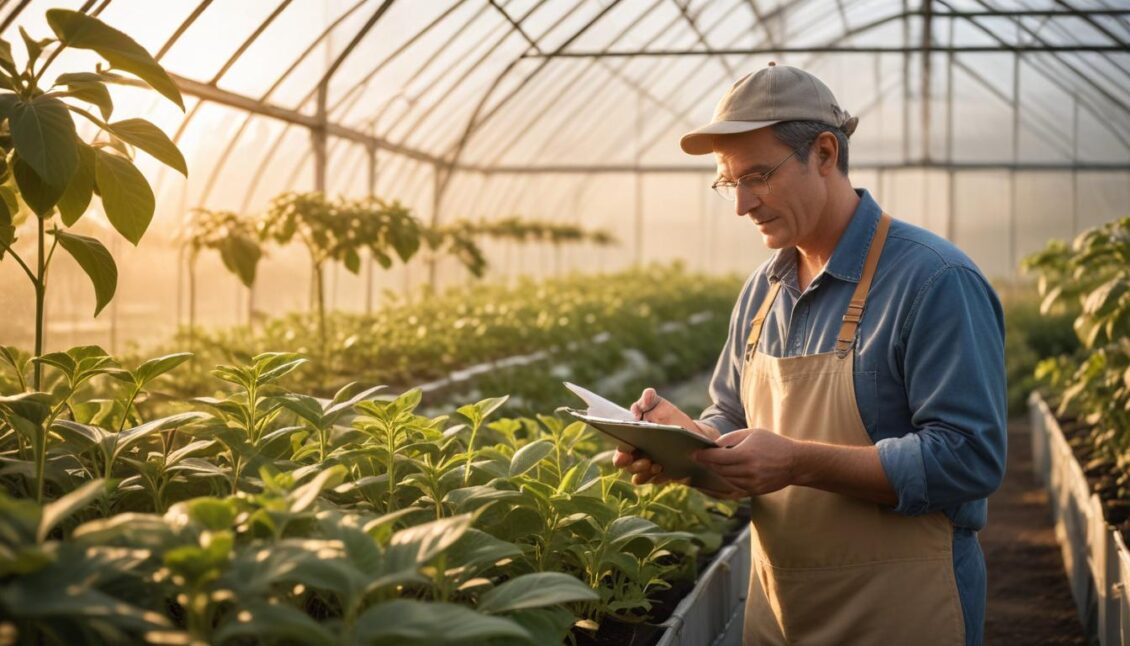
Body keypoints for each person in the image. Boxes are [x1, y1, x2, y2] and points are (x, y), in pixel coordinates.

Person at [612, 62, 1006, 645]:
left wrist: (797, 461)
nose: (742, 204)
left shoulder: (933, 279)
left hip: (901, 614)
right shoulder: (762, 292)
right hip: (778, 612)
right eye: (729, 183)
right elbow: (732, 421)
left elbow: (970, 457)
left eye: (758, 176)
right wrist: (684, 448)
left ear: (824, 153)